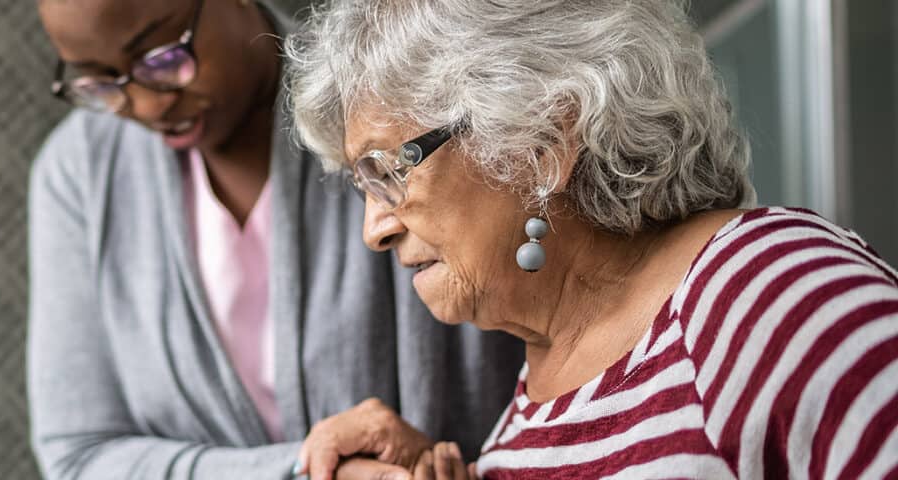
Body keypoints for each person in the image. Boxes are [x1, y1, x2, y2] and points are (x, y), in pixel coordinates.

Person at [286, 0, 898, 478]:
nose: (375, 230)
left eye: (389, 170)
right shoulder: (515, 429)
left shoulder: (762, 291)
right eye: (360, 186)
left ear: (540, 145)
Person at [26, 0, 523, 478]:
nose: (146, 103)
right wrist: (310, 470)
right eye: (101, 83)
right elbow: (81, 454)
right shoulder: (81, 174)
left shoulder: (403, 98)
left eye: (163, 57)